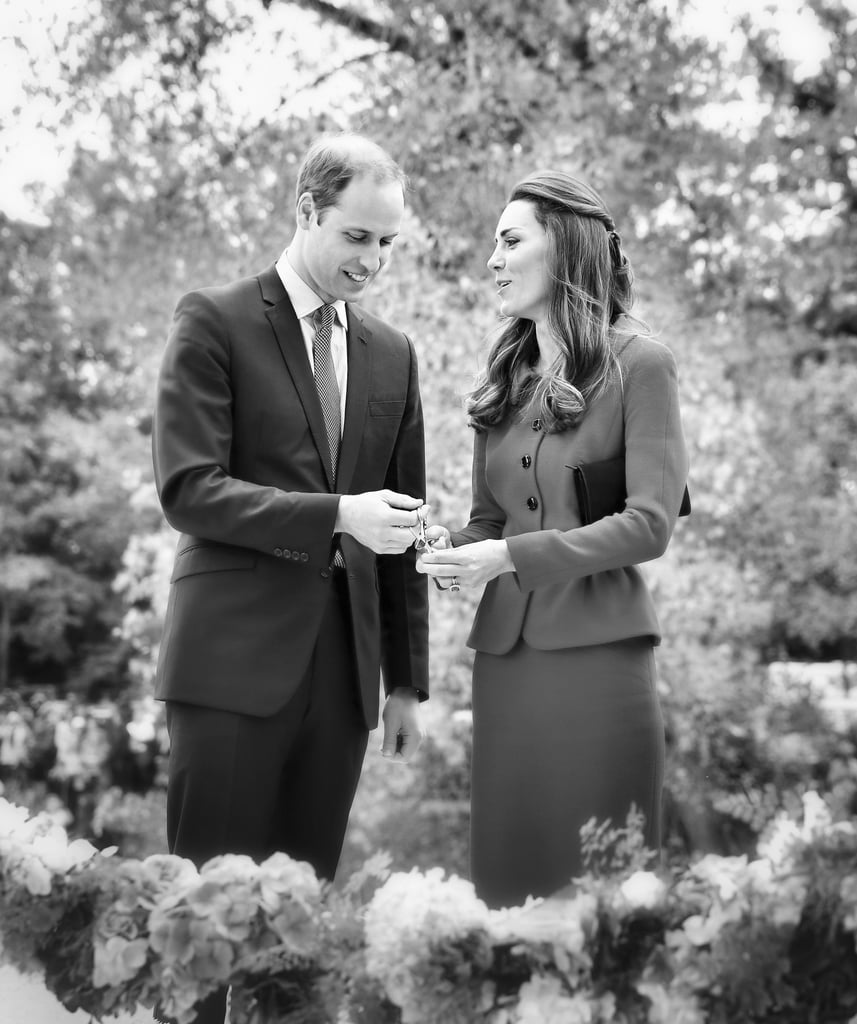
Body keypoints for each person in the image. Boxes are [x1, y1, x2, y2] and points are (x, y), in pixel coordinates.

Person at [151, 133, 429, 1024]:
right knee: (198, 936)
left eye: (389, 243)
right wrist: (333, 514)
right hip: (229, 669)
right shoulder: (214, 318)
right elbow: (189, 489)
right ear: (306, 211)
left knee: (295, 950)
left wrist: (407, 682)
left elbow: (402, 520)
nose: (373, 261)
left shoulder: (394, 355)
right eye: (357, 237)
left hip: (341, 683)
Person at [417, 171, 689, 910]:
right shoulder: (501, 380)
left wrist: (506, 557)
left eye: (509, 241)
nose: (492, 261)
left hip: (601, 662)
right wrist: (449, 551)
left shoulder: (642, 364)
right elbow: (489, 522)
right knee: (511, 887)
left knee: (605, 896)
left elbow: (648, 524)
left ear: (563, 248)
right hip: (507, 666)